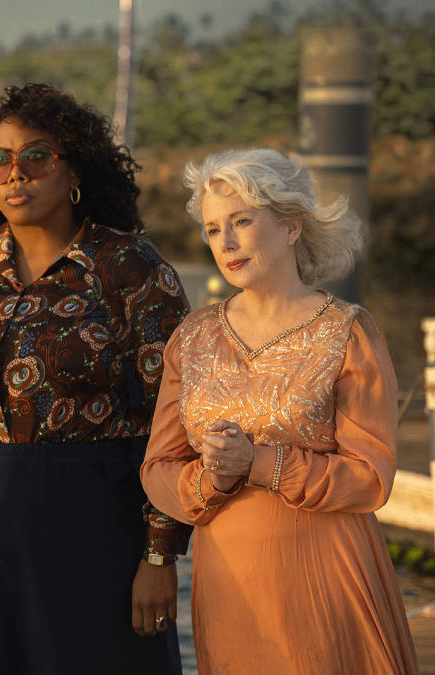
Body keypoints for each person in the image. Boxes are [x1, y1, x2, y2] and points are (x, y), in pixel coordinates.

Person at [0, 82, 191, 674]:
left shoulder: (131, 267)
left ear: (74, 169)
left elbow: (176, 415)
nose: (15, 174)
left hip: (93, 526)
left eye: (35, 157)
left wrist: (160, 556)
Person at [140, 148, 418, 673]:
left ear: (291, 226)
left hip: (327, 577)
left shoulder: (346, 330)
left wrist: (258, 464)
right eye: (213, 228)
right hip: (228, 584)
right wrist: (215, 479)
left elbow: (371, 477)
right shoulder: (193, 338)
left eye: (242, 221)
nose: (225, 242)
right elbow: (158, 469)